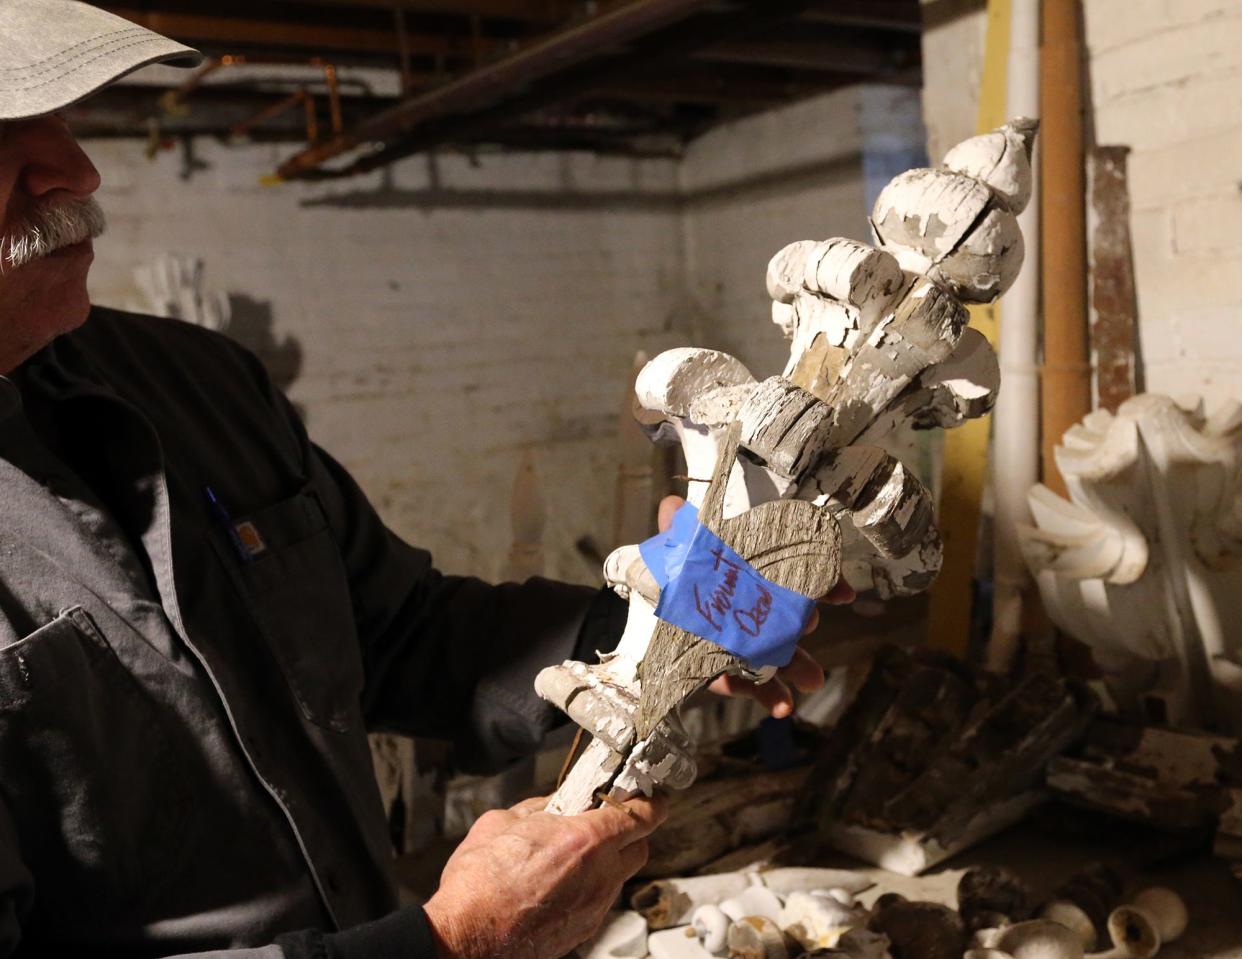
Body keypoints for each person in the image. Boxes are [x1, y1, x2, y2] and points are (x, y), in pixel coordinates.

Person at [0, 3, 850, 957]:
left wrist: (654, 624)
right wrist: (446, 943)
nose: (74, 169)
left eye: (63, 114)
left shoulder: (194, 382)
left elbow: (397, 632)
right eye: (0, 135)